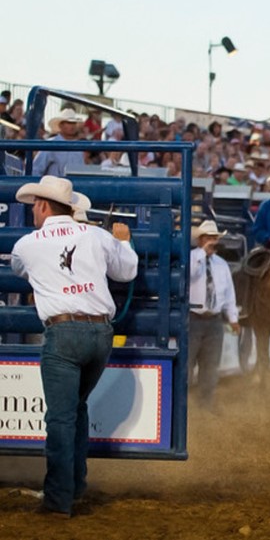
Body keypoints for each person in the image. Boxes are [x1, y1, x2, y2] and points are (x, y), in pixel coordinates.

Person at [10, 176, 138, 517]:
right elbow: (126, 272)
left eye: (34, 206)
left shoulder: (27, 244)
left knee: (61, 418)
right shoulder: (97, 235)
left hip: (63, 333)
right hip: (100, 333)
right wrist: (123, 242)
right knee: (76, 407)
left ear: (42, 206)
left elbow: (20, 268)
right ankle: (75, 485)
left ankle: (57, 500)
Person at [188, 220, 240, 412]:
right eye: (209, 238)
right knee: (187, 367)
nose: (212, 241)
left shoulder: (222, 264)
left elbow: (228, 295)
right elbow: (189, 275)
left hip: (214, 321)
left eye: (214, 238)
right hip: (193, 318)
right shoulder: (191, 258)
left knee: (210, 368)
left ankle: (205, 406)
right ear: (201, 240)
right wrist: (202, 253)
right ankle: (186, 409)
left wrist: (233, 318)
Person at [32, 107, 86, 177]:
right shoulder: (50, 145)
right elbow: (36, 170)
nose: (72, 126)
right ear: (61, 125)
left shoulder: (79, 148)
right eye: (69, 123)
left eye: (73, 123)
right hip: (52, 185)